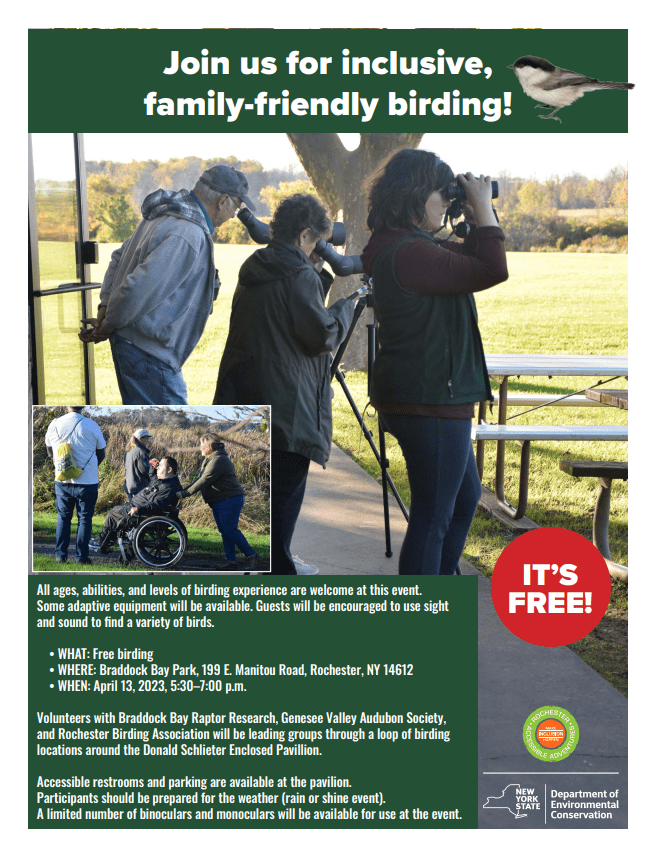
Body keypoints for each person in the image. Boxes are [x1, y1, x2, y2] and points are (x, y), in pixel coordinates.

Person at [360, 148, 509, 575]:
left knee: (461, 501)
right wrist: (482, 205)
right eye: (441, 194)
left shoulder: (406, 245)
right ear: (414, 194)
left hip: (426, 397)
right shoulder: (410, 252)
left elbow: (473, 259)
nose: (446, 202)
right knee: (432, 518)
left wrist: (474, 215)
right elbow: (492, 269)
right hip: (431, 402)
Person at [213, 193, 355, 575]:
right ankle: (281, 573)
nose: (319, 249)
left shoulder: (256, 263)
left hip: (247, 393)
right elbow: (321, 335)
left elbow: (291, 308)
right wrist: (347, 306)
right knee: (286, 493)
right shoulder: (297, 274)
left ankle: (278, 560)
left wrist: (318, 272)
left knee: (267, 492)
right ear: (305, 234)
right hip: (287, 404)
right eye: (316, 242)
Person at [79, 166, 256, 405]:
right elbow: (137, 288)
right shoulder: (188, 232)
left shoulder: (164, 216)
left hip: (138, 348)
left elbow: (118, 258)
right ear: (223, 201)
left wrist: (104, 310)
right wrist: (107, 324)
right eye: (236, 206)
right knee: (169, 432)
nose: (235, 214)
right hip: (149, 354)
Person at [177, 433, 258, 571]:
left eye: (202, 444)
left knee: (230, 530)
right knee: (225, 531)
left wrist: (184, 494)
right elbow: (199, 479)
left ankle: (251, 555)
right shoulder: (211, 459)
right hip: (221, 501)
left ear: (210, 446)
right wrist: (183, 491)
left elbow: (204, 480)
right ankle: (230, 560)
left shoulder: (219, 460)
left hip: (229, 500)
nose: (200, 447)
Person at [45, 406, 107, 564]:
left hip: (62, 480)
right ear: (83, 406)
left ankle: (60, 556)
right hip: (87, 481)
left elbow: (50, 450)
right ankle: (81, 557)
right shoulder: (92, 424)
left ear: (67, 406)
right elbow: (101, 453)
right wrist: (87, 469)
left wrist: (62, 467)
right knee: (85, 519)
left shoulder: (54, 424)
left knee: (63, 518)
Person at [89, 457, 181, 553]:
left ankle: (102, 540)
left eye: (161, 466)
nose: (158, 467)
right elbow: (152, 476)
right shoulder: (165, 481)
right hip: (136, 505)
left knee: (113, 513)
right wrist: (153, 467)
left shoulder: (168, 487)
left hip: (142, 512)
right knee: (117, 510)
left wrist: (139, 508)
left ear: (169, 469)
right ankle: (107, 540)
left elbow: (157, 505)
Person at [124, 428, 153, 502]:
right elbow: (146, 471)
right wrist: (155, 470)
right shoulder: (141, 452)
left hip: (130, 487)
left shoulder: (129, 451)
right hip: (139, 489)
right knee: (139, 511)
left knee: (132, 509)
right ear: (141, 438)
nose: (147, 441)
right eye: (146, 439)